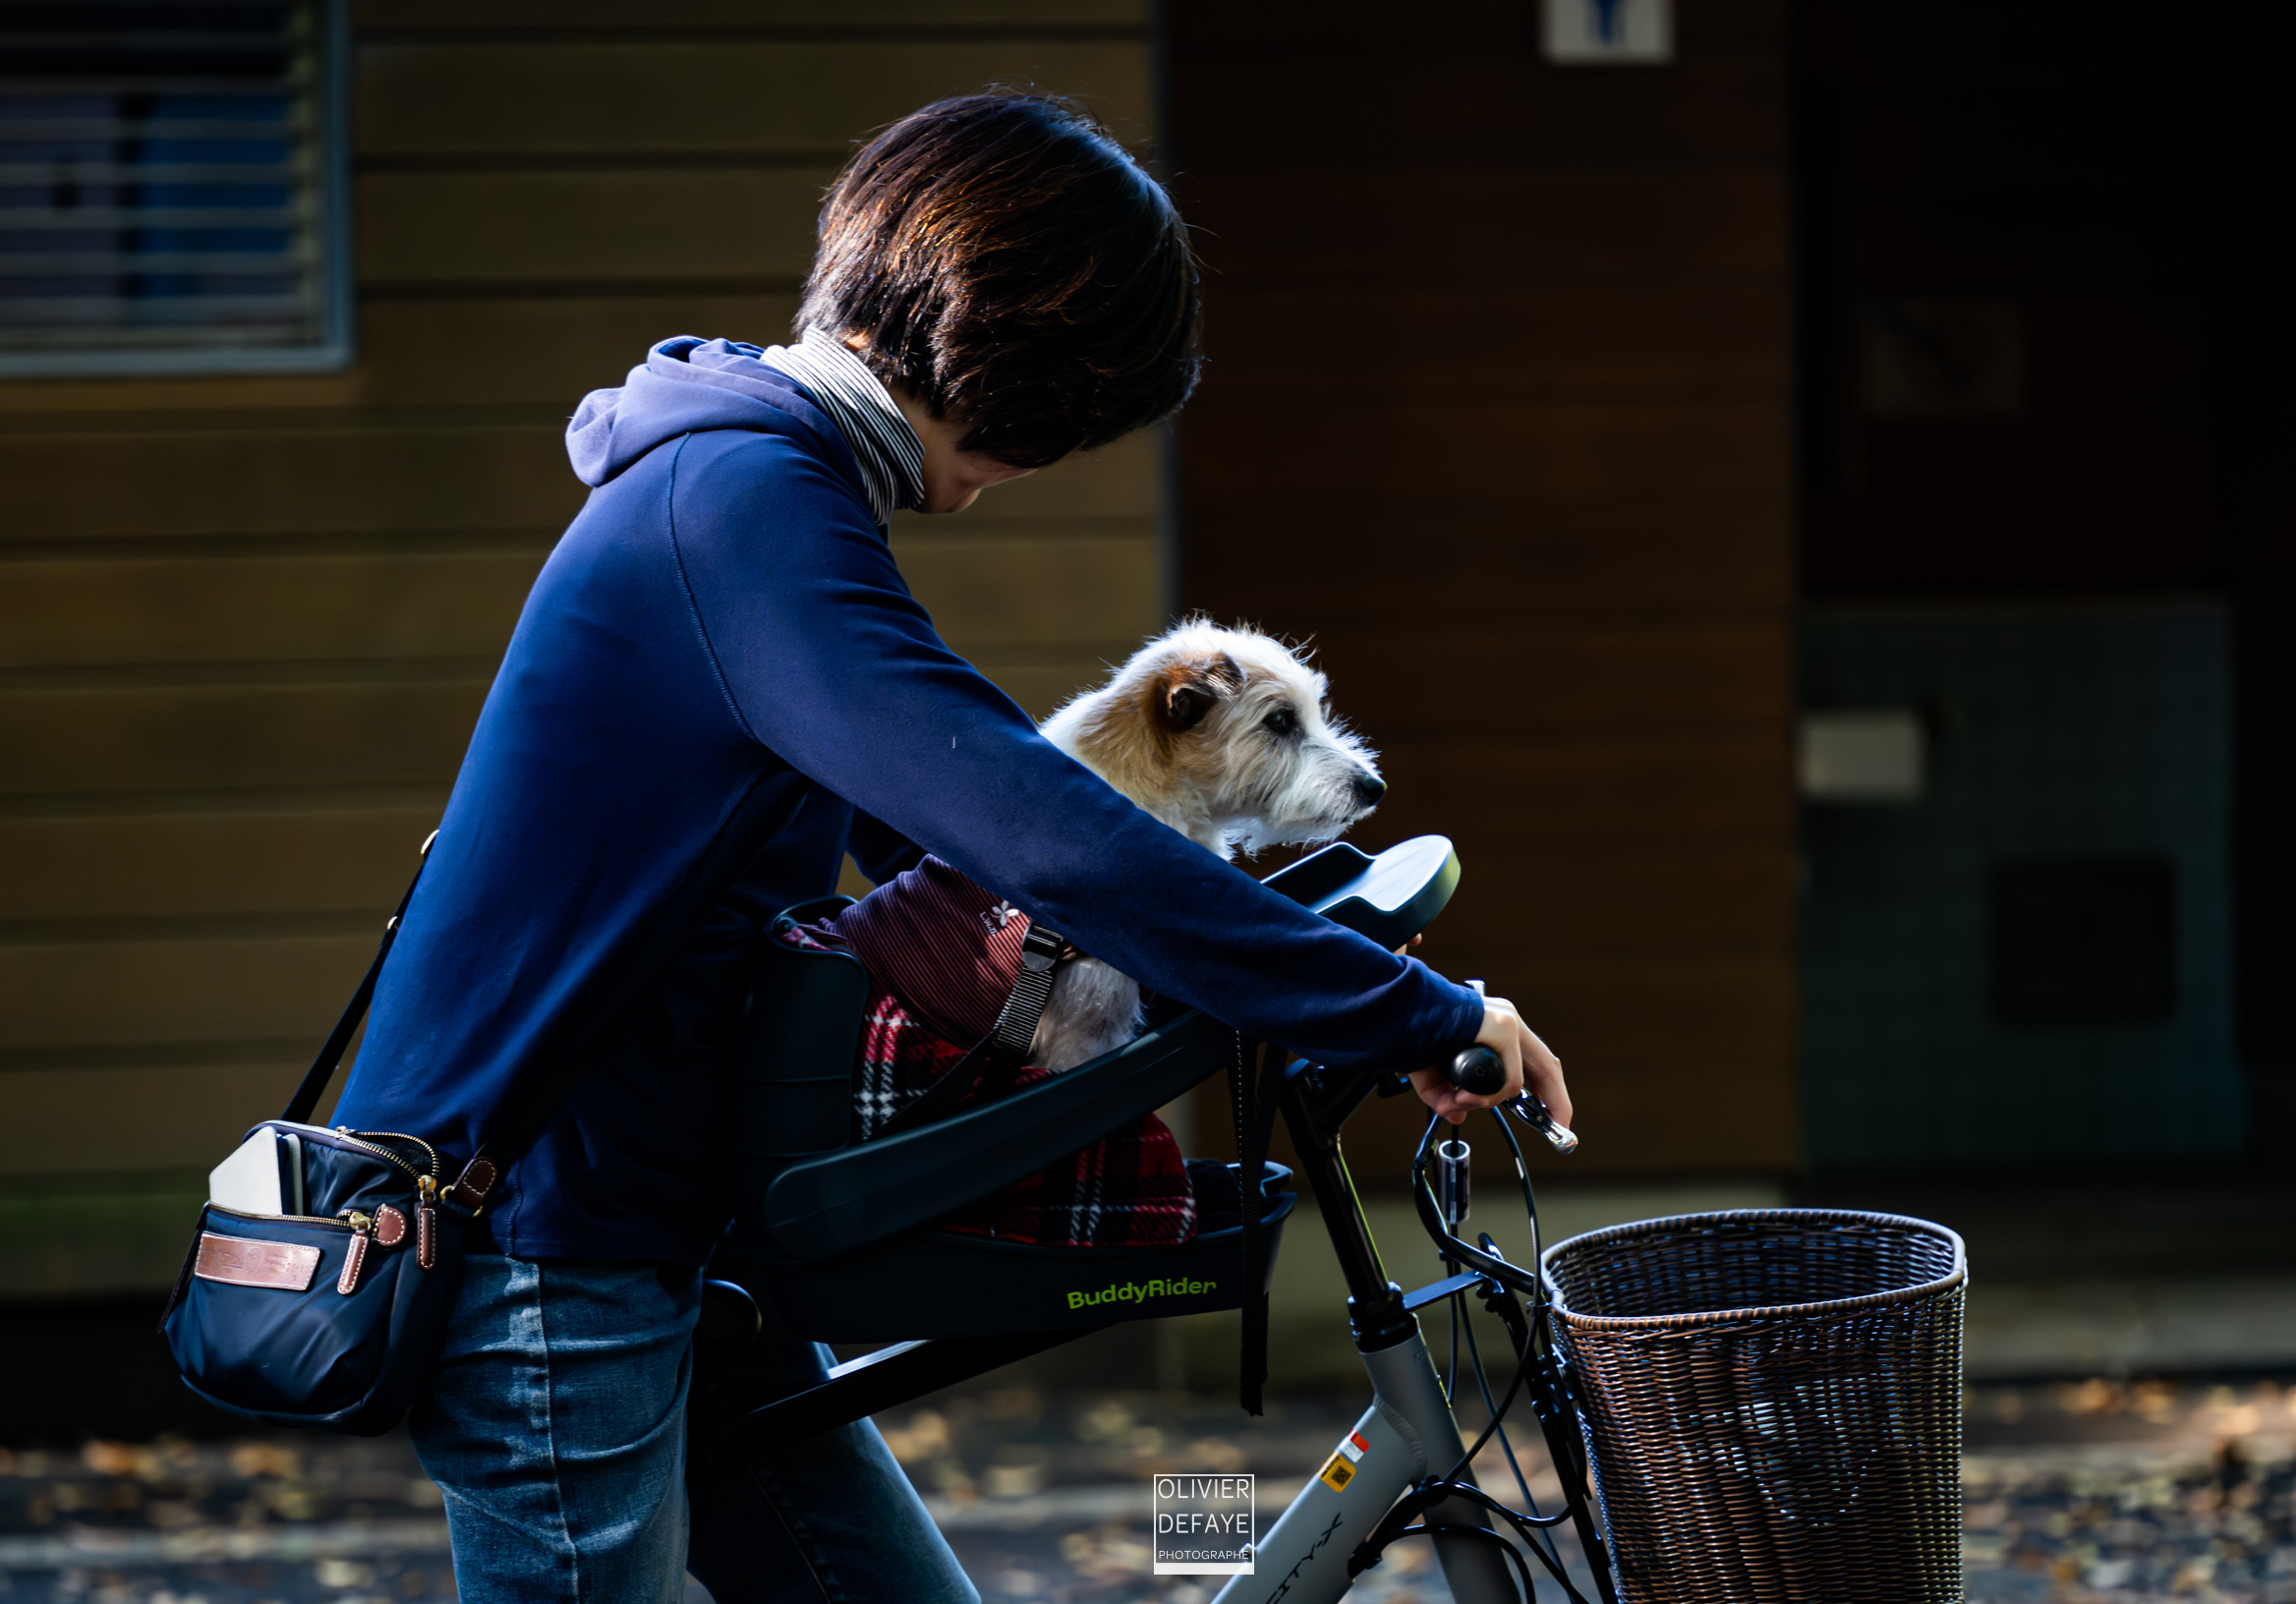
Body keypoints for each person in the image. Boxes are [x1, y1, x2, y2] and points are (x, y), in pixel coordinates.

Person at [330, 89, 1570, 1603]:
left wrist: (1274, 955)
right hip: (551, 1232)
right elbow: (1034, 831)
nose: (1041, 467)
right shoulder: (741, 506)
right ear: (1023, 368)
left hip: (668, 1222)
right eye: (1072, 419)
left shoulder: (750, 485)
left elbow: (960, 827)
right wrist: (1411, 1013)